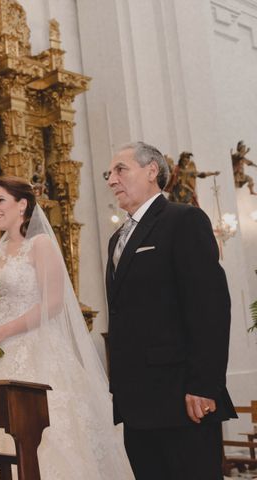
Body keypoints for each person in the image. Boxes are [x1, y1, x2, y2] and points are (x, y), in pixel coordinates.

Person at [0, 176, 134, 478]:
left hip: (36, 349)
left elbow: (52, 304)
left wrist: (3, 331)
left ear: (22, 204)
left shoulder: (40, 244)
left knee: (47, 436)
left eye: (0, 201)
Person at [105, 142, 236, 479]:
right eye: (109, 173)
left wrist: (204, 385)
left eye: (121, 169)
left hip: (182, 398)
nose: (111, 179)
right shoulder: (117, 238)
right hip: (137, 403)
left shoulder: (183, 220)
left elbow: (210, 308)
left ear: (152, 171)